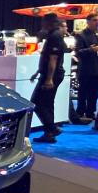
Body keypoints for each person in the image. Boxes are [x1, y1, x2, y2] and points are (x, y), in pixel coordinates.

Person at [30, 13, 67, 143]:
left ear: (49, 22)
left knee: (36, 102)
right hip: (48, 74)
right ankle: (49, 133)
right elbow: (47, 58)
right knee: (47, 103)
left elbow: (53, 59)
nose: (42, 24)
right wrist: (38, 72)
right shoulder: (53, 35)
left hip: (51, 76)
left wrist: (49, 79)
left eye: (44, 22)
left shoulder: (54, 37)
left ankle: (51, 129)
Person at [72, 13, 98, 123]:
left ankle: (91, 112)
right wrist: (91, 50)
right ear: (88, 22)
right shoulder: (81, 35)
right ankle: (80, 111)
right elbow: (78, 52)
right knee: (83, 92)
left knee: (94, 92)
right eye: (95, 20)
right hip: (85, 68)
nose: (97, 22)